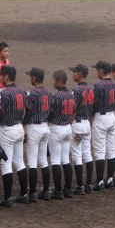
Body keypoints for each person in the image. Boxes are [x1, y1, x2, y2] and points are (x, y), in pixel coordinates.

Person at [0, 65, 28, 207]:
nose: (0, 77)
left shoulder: (4, 93)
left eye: (1, 75)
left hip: (7, 130)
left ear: (6, 76)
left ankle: (7, 198)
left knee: (6, 164)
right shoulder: (22, 91)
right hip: (19, 128)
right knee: (19, 162)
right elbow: (27, 111)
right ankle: (24, 195)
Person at [23, 67, 52, 202]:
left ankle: (33, 193)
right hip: (45, 127)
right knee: (43, 160)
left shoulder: (32, 94)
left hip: (34, 128)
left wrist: (23, 127)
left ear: (34, 78)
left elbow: (28, 113)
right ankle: (46, 191)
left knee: (32, 162)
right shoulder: (48, 93)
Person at [47, 70, 75, 199]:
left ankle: (58, 191)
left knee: (55, 161)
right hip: (67, 128)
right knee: (65, 160)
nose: (53, 83)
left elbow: (50, 114)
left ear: (59, 81)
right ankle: (68, 189)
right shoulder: (71, 95)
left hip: (56, 129)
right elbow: (74, 111)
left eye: (54, 80)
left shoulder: (56, 97)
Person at [90, 60, 115, 190]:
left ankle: (100, 181)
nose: (97, 72)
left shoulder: (98, 86)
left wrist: (91, 117)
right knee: (111, 149)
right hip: (112, 116)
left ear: (101, 71)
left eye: (97, 70)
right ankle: (110, 178)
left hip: (101, 118)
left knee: (100, 151)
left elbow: (94, 103)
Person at [69, 64, 94, 194]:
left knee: (77, 154)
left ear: (80, 74)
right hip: (87, 123)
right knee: (87, 153)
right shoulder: (92, 89)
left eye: (74, 72)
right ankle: (89, 184)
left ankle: (80, 185)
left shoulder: (76, 90)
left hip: (77, 123)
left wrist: (70, 124)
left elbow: (73, 110)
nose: (73, 74)